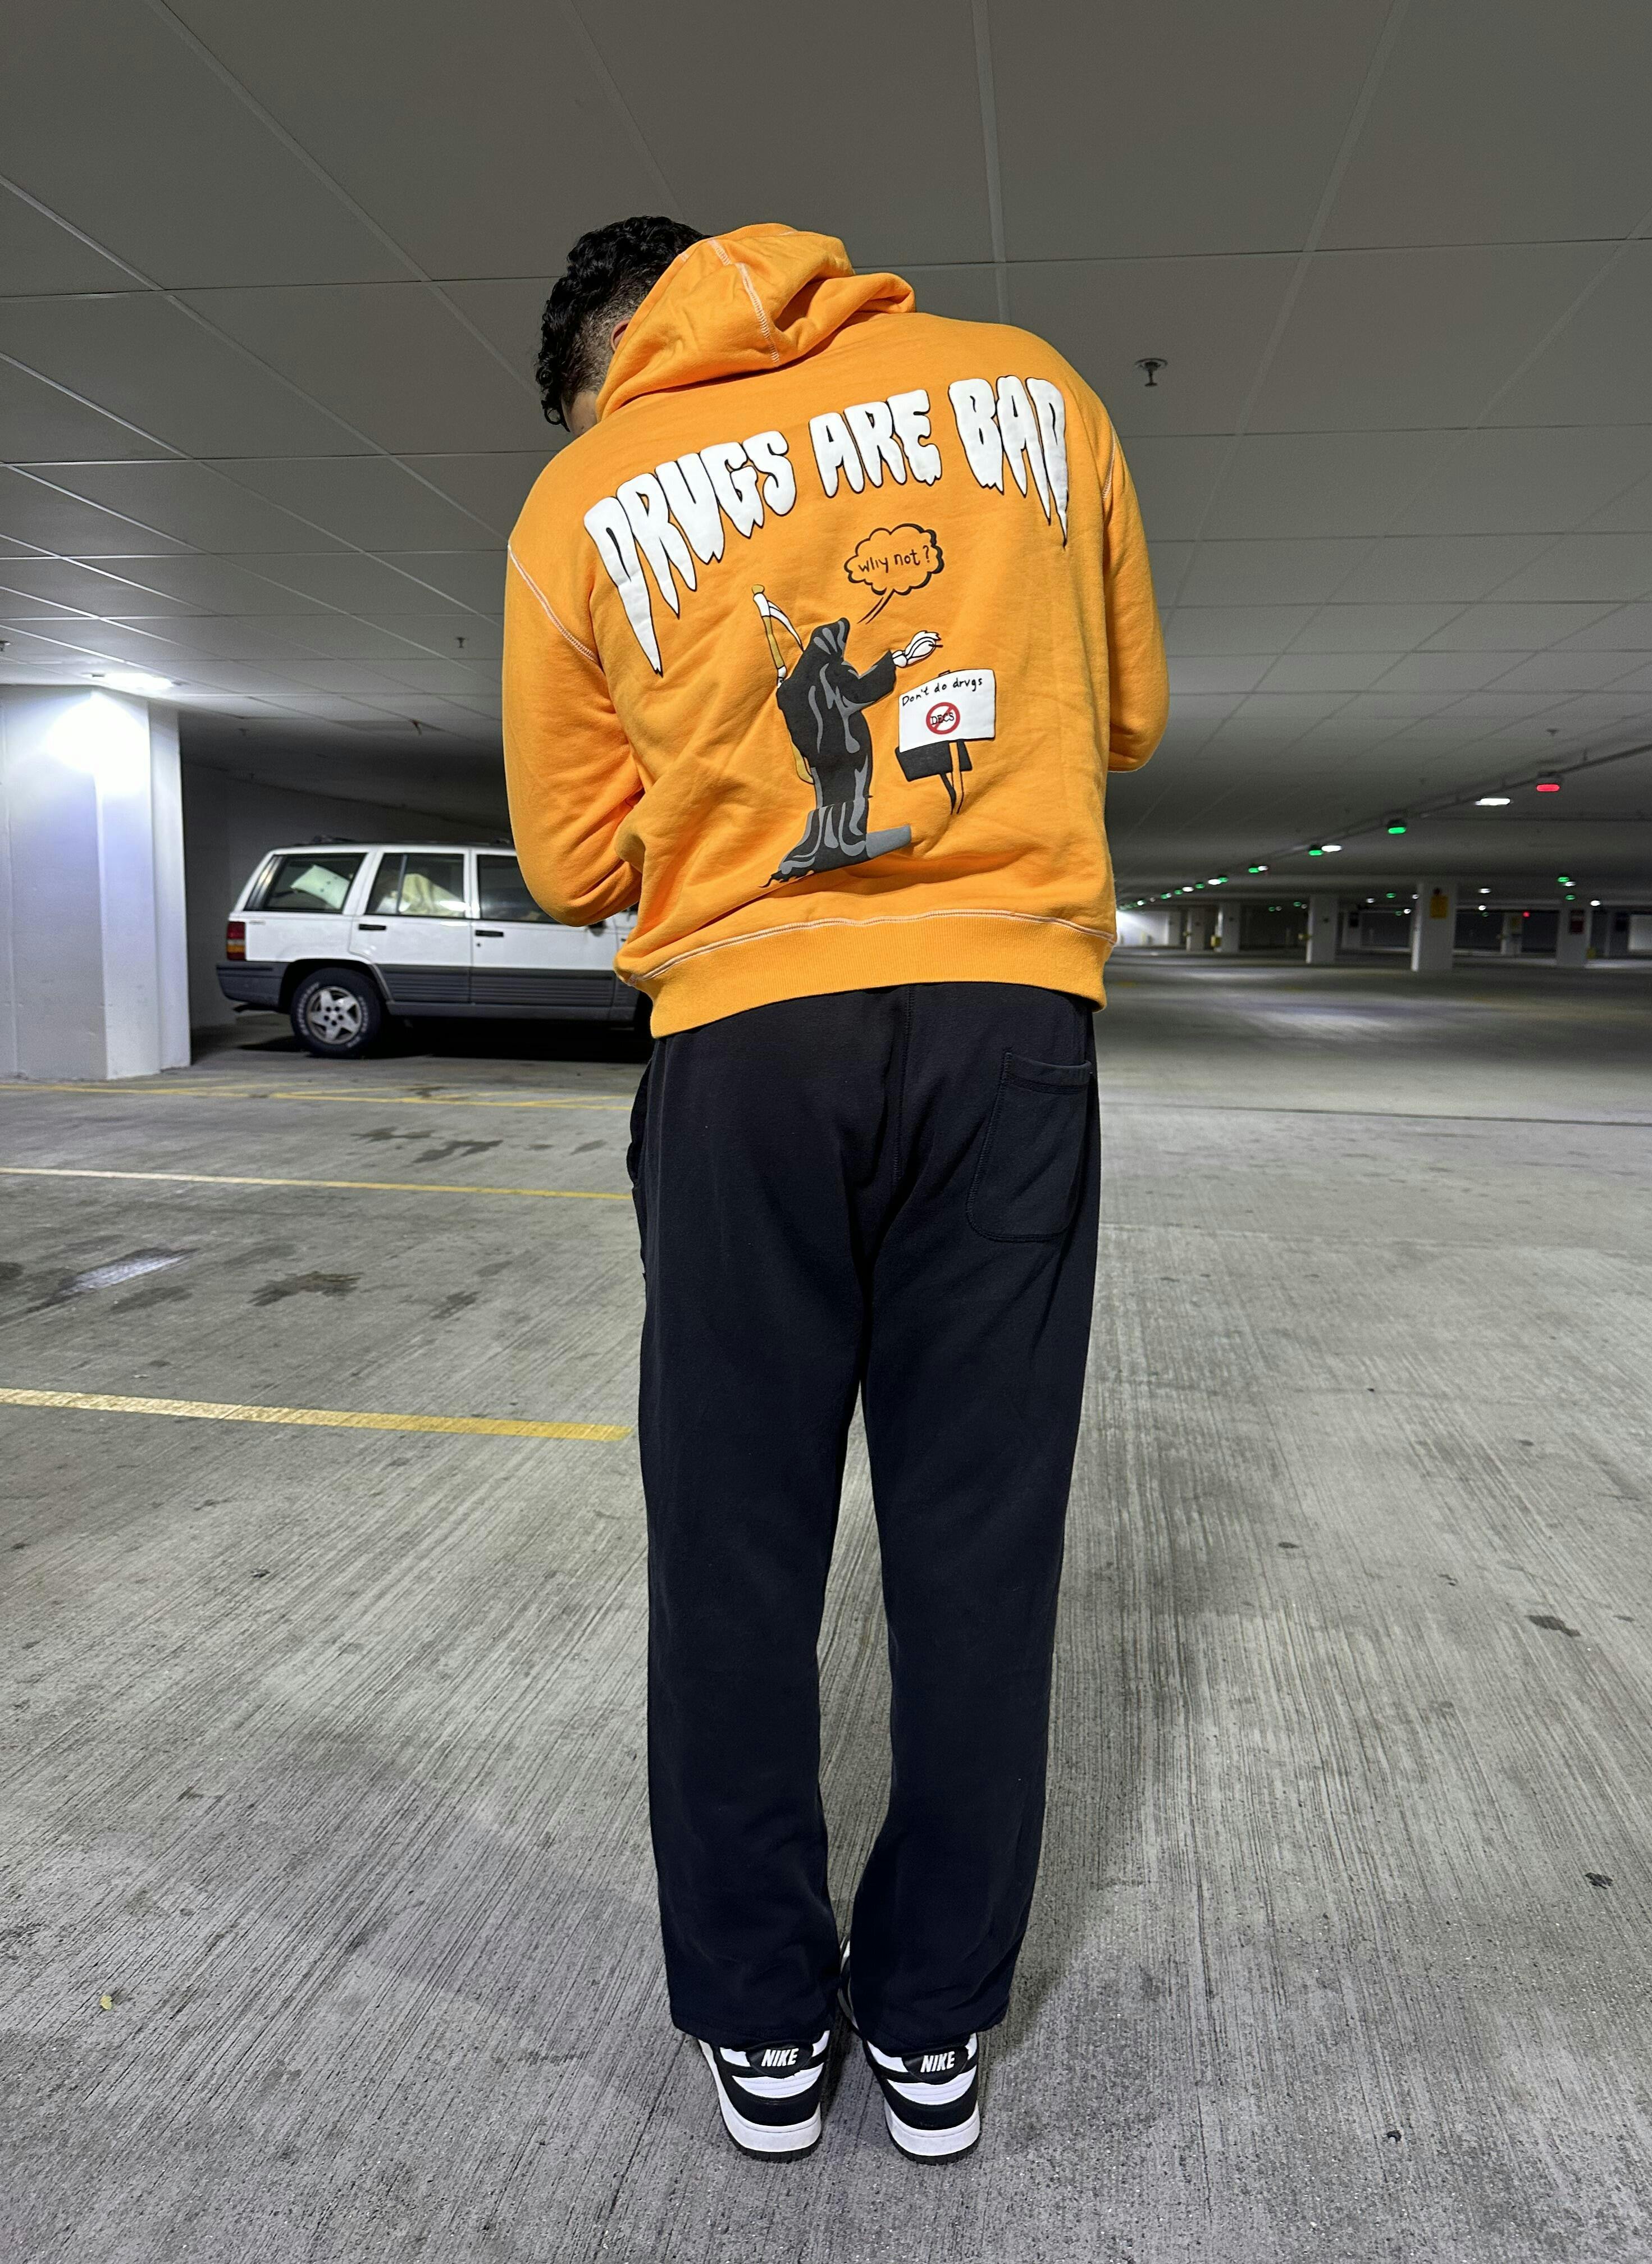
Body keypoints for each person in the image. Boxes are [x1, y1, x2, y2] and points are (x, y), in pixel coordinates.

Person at [504, 216, 1167, 2162]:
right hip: (1008, 1029)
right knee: (980, 1546)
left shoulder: (585, 498)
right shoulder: (1030, 389)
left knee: (732, 1546)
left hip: (746, 1048)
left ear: (605, 361)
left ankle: (765, 2021)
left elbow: (572, 861)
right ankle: (935, 2022)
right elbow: (1118, 713)